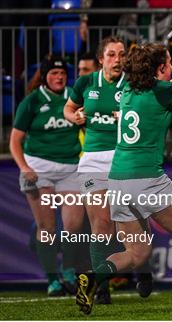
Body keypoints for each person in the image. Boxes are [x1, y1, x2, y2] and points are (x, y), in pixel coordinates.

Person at [74, 39, 172, 315]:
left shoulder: (126, 88)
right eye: (170, 62)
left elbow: (169, 88)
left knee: (137, 254)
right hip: (148, 178)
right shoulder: (161, 91)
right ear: (161, 68)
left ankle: (95, 275)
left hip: (118, 180)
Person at [64, 36, 152, 304]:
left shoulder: (133, 85)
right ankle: (100, 287)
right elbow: (68, 108)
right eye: (111, 55)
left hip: (125, 158)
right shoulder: (85, 83)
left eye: (122, 54)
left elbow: (148, 117)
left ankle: (143, 266)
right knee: (101, 224)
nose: (117, 60)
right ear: (101, 59)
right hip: (92, 161)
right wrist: (74, 117)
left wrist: (125, 117)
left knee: (134, 220)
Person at [9, 55, 85, 296]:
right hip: (39, 169)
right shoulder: (32, 101)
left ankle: (69, 269)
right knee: (46, 228)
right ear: (44, 76)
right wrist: (25, 168)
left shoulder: (74, 97)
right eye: (53, 73)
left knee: (73, 225)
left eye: (62, 73)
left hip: (70, 167)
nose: (59, 77)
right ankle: (52, 279)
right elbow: (15, 141)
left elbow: (88, 127)